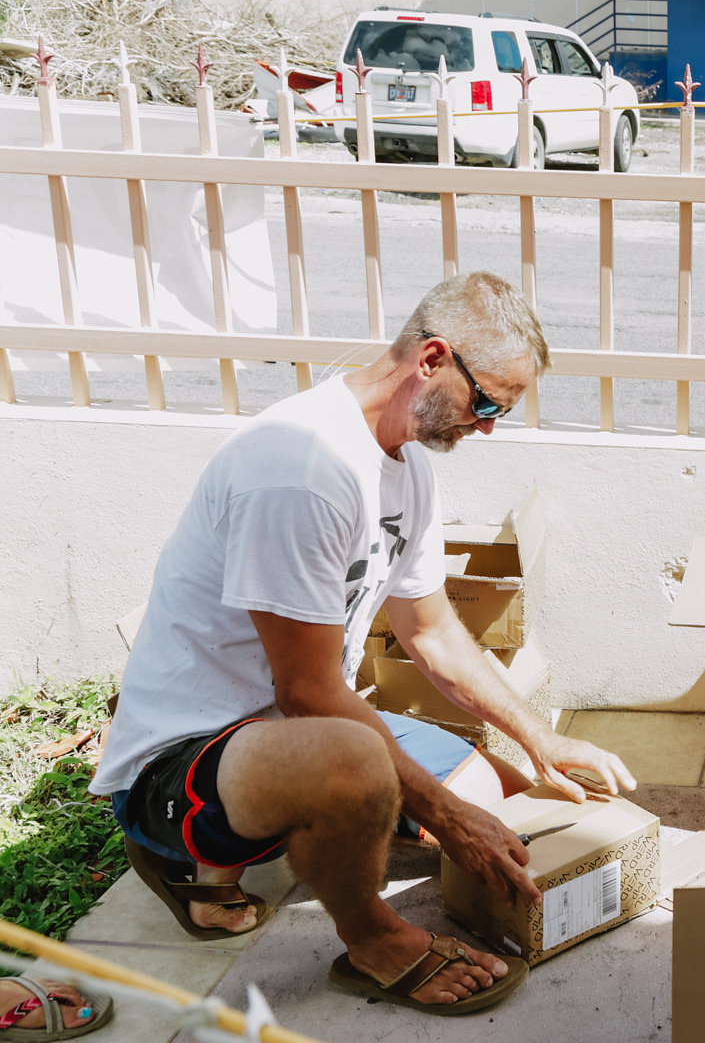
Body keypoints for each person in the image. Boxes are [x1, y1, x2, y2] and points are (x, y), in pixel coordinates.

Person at [90, 272, 637, 1016]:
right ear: (433, 359)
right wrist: (443, 818)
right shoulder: (300, 471)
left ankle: (336, 826)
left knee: (488, 795)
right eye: (485, 405)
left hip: (290, 729)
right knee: (358, 768)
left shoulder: (407, 469)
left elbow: (432, 632)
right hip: (184, 756)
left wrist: (539, 740)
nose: (486, 429)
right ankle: (367, 938)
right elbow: (306, 693)